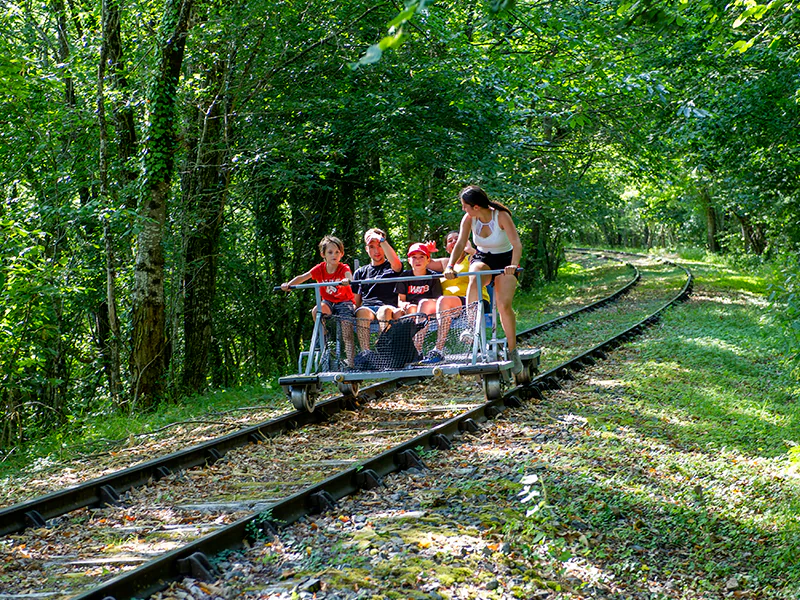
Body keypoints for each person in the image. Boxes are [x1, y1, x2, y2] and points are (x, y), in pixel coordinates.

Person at [443, 185, 523, 374]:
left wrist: (513, 265)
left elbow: (516, 243)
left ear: (476, 206)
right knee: (475, 275)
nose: (464, 209)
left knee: (503, 305)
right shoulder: (469, 219)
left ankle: (513, 351)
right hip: (484, 258)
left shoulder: (501, 216)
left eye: (465, 206)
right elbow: (461, 243)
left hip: (505, 260)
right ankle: (471, 327)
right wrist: (450, 266)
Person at [280, 235, 355, 368]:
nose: (334, 255)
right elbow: (303, 277)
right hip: (328, 302)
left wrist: (347, 281)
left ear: (341, 254)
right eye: (330, 252)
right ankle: (324, 339)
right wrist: (289, 285)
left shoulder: (343, 268)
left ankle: (351, 361)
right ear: (323, 254)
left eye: (337, 252)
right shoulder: (320, 269)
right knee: (317, 311)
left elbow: (349, 276)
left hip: (344, 302)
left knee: (346, 331)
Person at [421, 231, 491, 364]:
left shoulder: (472, 258)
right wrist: (427, 251)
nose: (453, 242)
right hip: (448, 305)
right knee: (424, 304)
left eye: (457, 239)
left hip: (472, 301)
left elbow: (486, 261)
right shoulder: (445, 263)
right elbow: (422, 263)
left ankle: (438, 350)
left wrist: (470, 250)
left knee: (443, 300)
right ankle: (416, 351)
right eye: (450, 241)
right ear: (447, 248)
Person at [351, 228, 404, 351]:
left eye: (379, 246)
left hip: (388, 308)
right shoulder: (360, 272)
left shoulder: (392, 267)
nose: (376, 251)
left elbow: (397, 264)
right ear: (366, 249)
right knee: (362, 312)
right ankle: (366, 353)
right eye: (372, 247)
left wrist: (381, 239)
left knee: (384, 311)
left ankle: (383, 348)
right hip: (368, 309)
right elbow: (356, 302)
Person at [395, 242, 443, 354]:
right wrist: (404, 305)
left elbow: (438, 300)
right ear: (409, 260)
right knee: (401, 312)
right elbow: (400, 300)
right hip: (410, 310)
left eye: (422, 257)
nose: (418, 260)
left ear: (428, 260)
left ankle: (417, 349)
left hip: (427, 311)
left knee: (417, 309)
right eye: (414, 257)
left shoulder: (433, 276)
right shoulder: (404, 276)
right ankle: (399, 350)